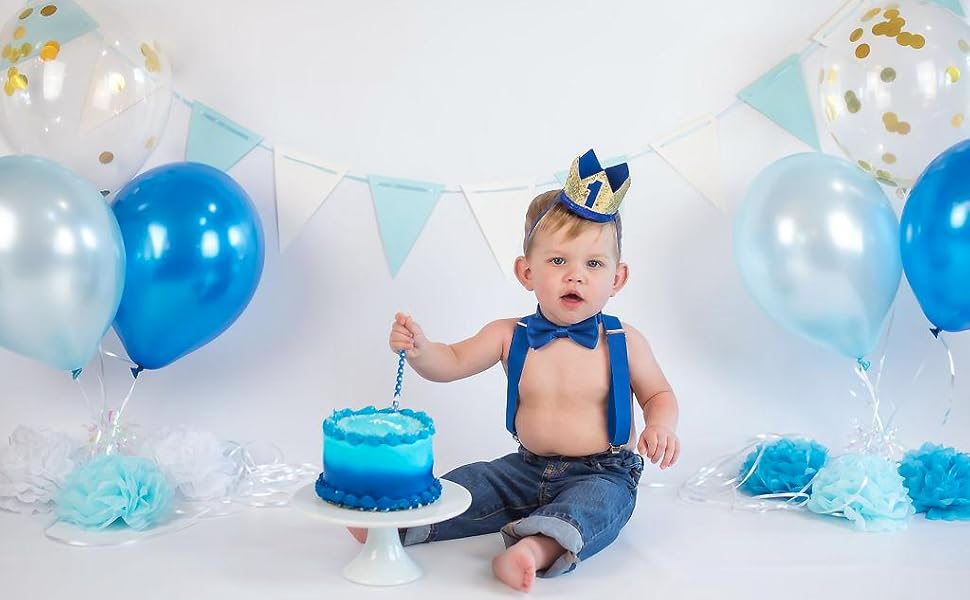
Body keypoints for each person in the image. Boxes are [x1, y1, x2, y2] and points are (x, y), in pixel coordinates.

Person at [354, 149, 680, 592]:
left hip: (603, 470)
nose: (575, 277)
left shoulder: (624, 341)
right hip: (524, 468)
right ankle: (398, 525)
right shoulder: (511, 335)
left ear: (617, 279)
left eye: (593, 264)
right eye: (558, 261)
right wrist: (421, 349)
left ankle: (533, 550)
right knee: (470, 484)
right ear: (526, 272)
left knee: (596, 506)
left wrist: (661, 424)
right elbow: (451, 362)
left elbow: (658, 393)